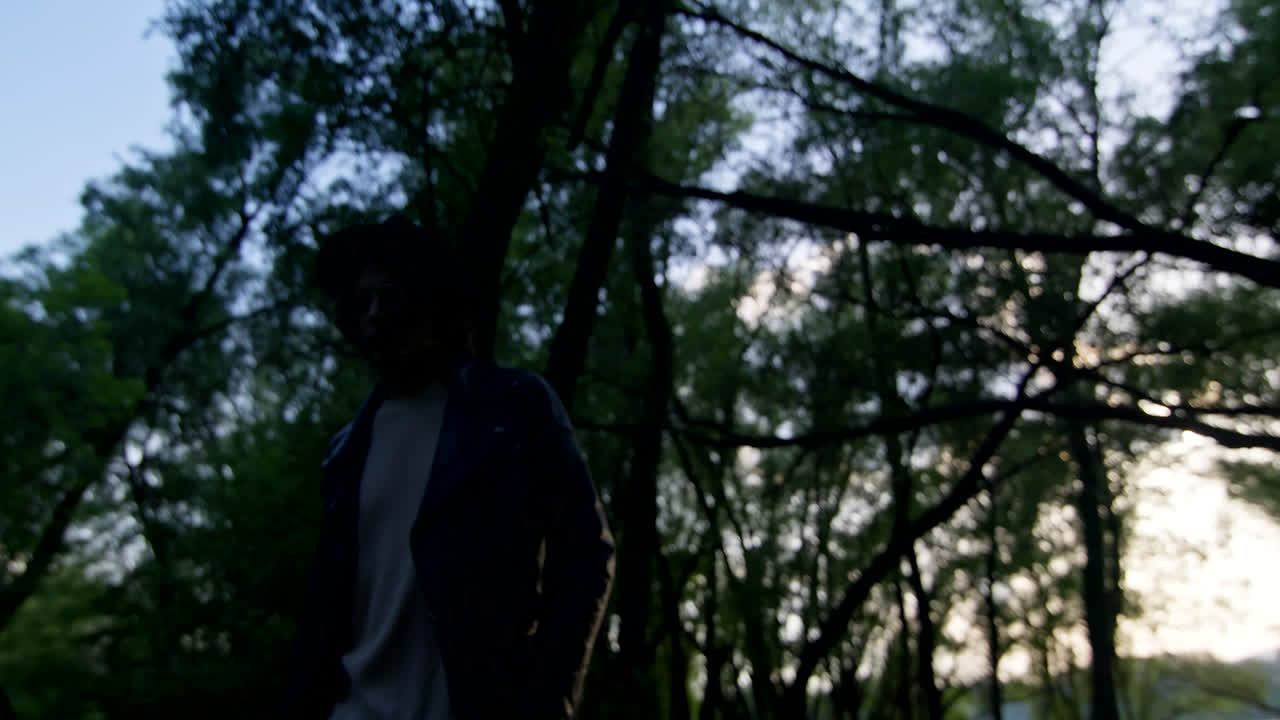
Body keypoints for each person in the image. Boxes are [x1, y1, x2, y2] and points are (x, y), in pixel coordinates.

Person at [281, 216, 615, 719]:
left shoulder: (512, 409)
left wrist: (546, 701)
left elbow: (585, 556)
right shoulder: (345, 453)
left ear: (434, 304)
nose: (375, 316)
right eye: (358, 303)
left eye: (391, 298)